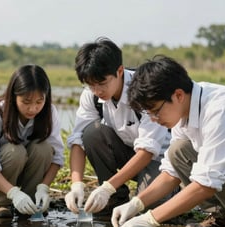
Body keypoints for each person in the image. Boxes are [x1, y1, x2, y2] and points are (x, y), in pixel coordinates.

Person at [112, 54, 225, 227]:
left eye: (155, 110)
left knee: (220, 167)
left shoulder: (221, 110)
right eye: (148, 113)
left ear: (178, 95)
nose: (153, 119)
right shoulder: (185, 110)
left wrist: (150, 219)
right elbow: (171, 172)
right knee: (179, 152)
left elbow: (206, 184)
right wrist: (136, 204)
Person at [64, 37, 174, 216]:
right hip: (129, 153)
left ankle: (173, 189)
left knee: (150, 208)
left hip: (159, 161)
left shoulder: (145, 90)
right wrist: (76, 184)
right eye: (91, 85)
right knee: (92, 133)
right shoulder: (90, 96)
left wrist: (107, 188)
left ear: (120, 71)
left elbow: (147, 150)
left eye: (102, 83)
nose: (97, 91)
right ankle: (116, 197)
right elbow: (78, 139)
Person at [0, 64, 64, 218]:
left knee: (43, 148)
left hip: (19, 168)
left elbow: (57, 156)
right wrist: (13, 193)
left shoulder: (49, 113)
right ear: (13, 96)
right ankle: (0, 202)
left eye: (39, 102)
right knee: (15, 151)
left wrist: (43, 187)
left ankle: (31, 201)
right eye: (26, 102)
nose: (33, 108)